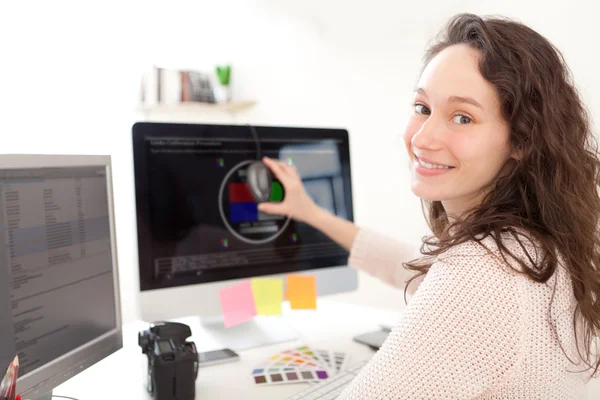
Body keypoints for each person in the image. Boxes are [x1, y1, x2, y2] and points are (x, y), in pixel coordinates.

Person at [257, 13, 600, 399]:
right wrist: (311, 213)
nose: (423, 137)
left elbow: (456, 284)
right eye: (422, 107)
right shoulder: (532, 249)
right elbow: (415, 271)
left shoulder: (483, 272)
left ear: (521, 140)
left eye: (462, 117)